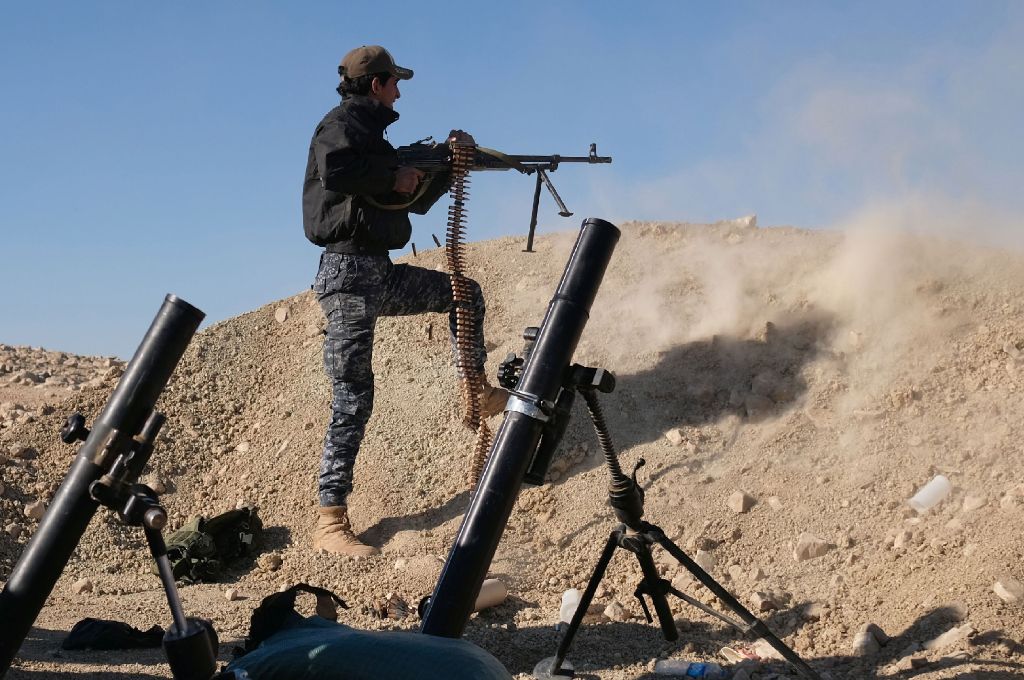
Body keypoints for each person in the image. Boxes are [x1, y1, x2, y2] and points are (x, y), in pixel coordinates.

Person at [302, 45, 506, 557]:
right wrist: (393, 174)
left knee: (464, 295)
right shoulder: (343, 124)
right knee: (353, 397)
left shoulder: (375, 139)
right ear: (376, 83)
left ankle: (477, 389)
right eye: (395, 82)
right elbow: (336, 168)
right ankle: (330, 521)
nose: (400, 91)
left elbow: (405, 202)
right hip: (348, 275)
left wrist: (449, 168)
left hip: (380, 272)